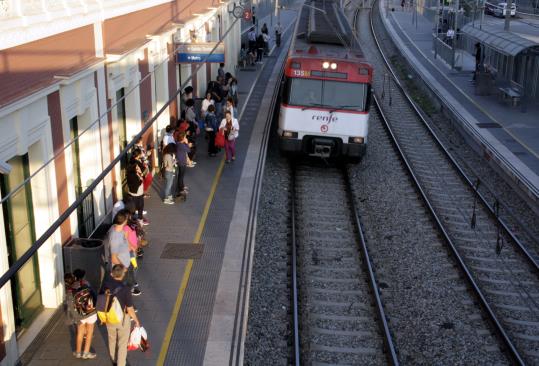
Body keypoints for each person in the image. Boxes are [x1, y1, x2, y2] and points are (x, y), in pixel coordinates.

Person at [104, 264, 141, 366]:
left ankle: (113, 360)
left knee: (111, 339)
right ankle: (121, 364)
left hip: (109, 317)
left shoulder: (106, 284)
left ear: (112, 273)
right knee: (122, 343)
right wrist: (136, 321)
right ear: (122, 275)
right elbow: (129, 308)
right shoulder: (125, 289)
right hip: (122, 320)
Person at [65, 270, 97, 360]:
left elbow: (71, 307)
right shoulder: (85, 284)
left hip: (80, 314)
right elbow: (94, 296)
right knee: (89, 333)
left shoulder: (69, 292)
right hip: (90, 312)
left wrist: (77, 318)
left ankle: (78, 352)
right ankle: (86, 353)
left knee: (80, 333)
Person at [110, 210, 141, 295]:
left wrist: (130, 246)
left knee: (128, 285)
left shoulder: (121, 231)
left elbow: (125, 243)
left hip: (127, 263)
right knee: (123, 290)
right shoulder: (115, 238)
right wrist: (123, 269)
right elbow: (113, 258)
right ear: (125, 220)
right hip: (122, 268)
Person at [126, 150, 148, 226]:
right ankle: (138, 219)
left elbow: (143, 174)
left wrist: (141, 175)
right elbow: (141, 177)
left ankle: (138, 219)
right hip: (136, 191)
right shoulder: (133, 171)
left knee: (137, 205)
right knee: (139, 205)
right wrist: (141, 176)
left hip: (135, 191)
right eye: (137, 168)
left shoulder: (132, 164)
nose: (139, 169)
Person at [175, 131, 191, 196]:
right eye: (185, 137)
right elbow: (188, 150)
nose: (185, 138)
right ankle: (181, 189)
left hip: (182, 161)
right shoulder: (180, 145)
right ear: (182, 138)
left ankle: (182, 186)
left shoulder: (179, 143)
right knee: (181, 176)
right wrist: (187, 143)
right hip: (181, 162)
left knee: (181, 175)